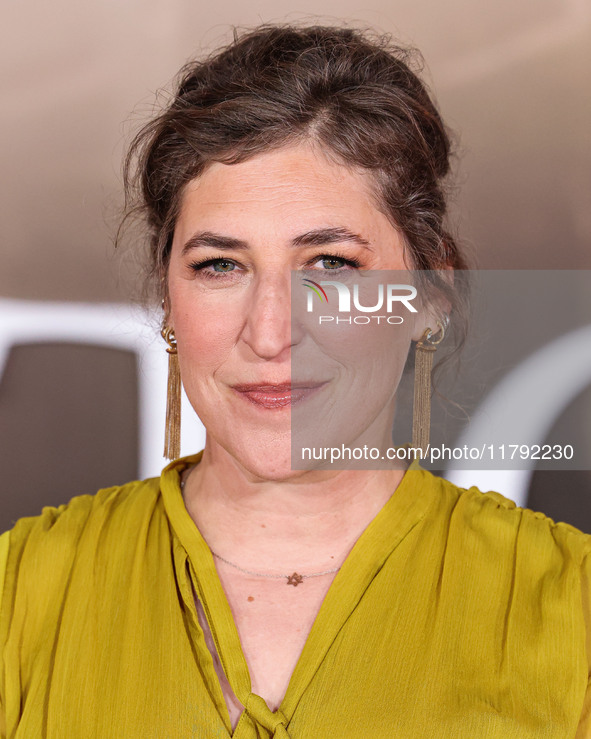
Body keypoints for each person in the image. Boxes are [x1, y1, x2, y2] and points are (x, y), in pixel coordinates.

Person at [1, 24, 590, 738]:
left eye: (331, 264)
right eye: (220, 265)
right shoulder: (20, 593)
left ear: (427, 296)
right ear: (168, 299)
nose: (271, 330)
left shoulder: (568, 607)